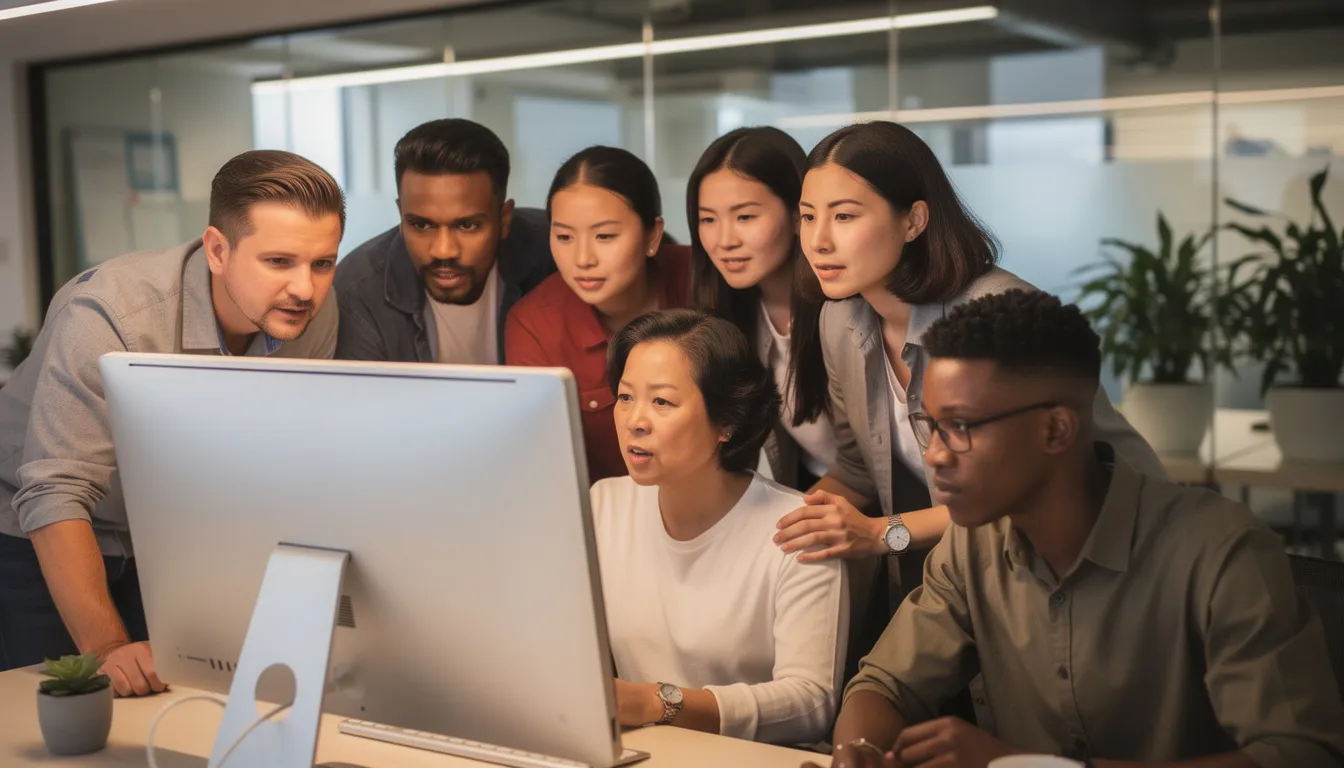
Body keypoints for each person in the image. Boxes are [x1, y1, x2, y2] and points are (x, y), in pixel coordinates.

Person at [813, 290, 1344, 768]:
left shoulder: (1222, 552)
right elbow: (883, 686)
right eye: (932, 426)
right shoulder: (973, 544)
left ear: (1056, 429)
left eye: (961, 427)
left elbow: (1297, 756)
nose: (934, 456)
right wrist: (858, 755)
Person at [0, 150, 345, 692]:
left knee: (174, 698)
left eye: (322, 263)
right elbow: (55, 489)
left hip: (159, 536)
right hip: (36, 528)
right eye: (279, 262)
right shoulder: (110, 316)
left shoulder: (315, 317)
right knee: (65, 711)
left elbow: (272, 466)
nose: (305, 289)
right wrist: (109, 647)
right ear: (217, 250)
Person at [776, 121, 1162, 599]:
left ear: (914, 220)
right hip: (974, 574)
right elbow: (858, 470)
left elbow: (1025, 492)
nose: (818, 241)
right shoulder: (839, 321)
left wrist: (883, 533)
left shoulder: (998, 315)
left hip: (1115, 558)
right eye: (808, 217)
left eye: (845, 216)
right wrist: (771, 526)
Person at [591, 309, 847, 746]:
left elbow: (811, 703)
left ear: (727, 421)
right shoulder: (604, 506)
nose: (635, 420)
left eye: (662, 402)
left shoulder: (796, 528)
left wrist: (661, 703)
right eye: (626, 397)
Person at [505, 146, 692, 483]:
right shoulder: (534, 324)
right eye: (564, 236)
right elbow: (542, 465)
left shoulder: (702, 280)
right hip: (605, 515)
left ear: (653, 235)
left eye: (605, 236)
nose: (582, 258)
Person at [334, 118, 553, 363]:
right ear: (401, 215)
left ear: (504, 220)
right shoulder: (357, 292)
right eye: (421, 225)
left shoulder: (556, 252)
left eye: (467, 226)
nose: (443, 251)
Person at [689, 126, 834, 491]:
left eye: (745, 217)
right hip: (819, 490)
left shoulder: (845, 309)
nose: (724, 241)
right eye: (708, 219)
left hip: (904, 511)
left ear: (799, 213)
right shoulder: (733, 317)